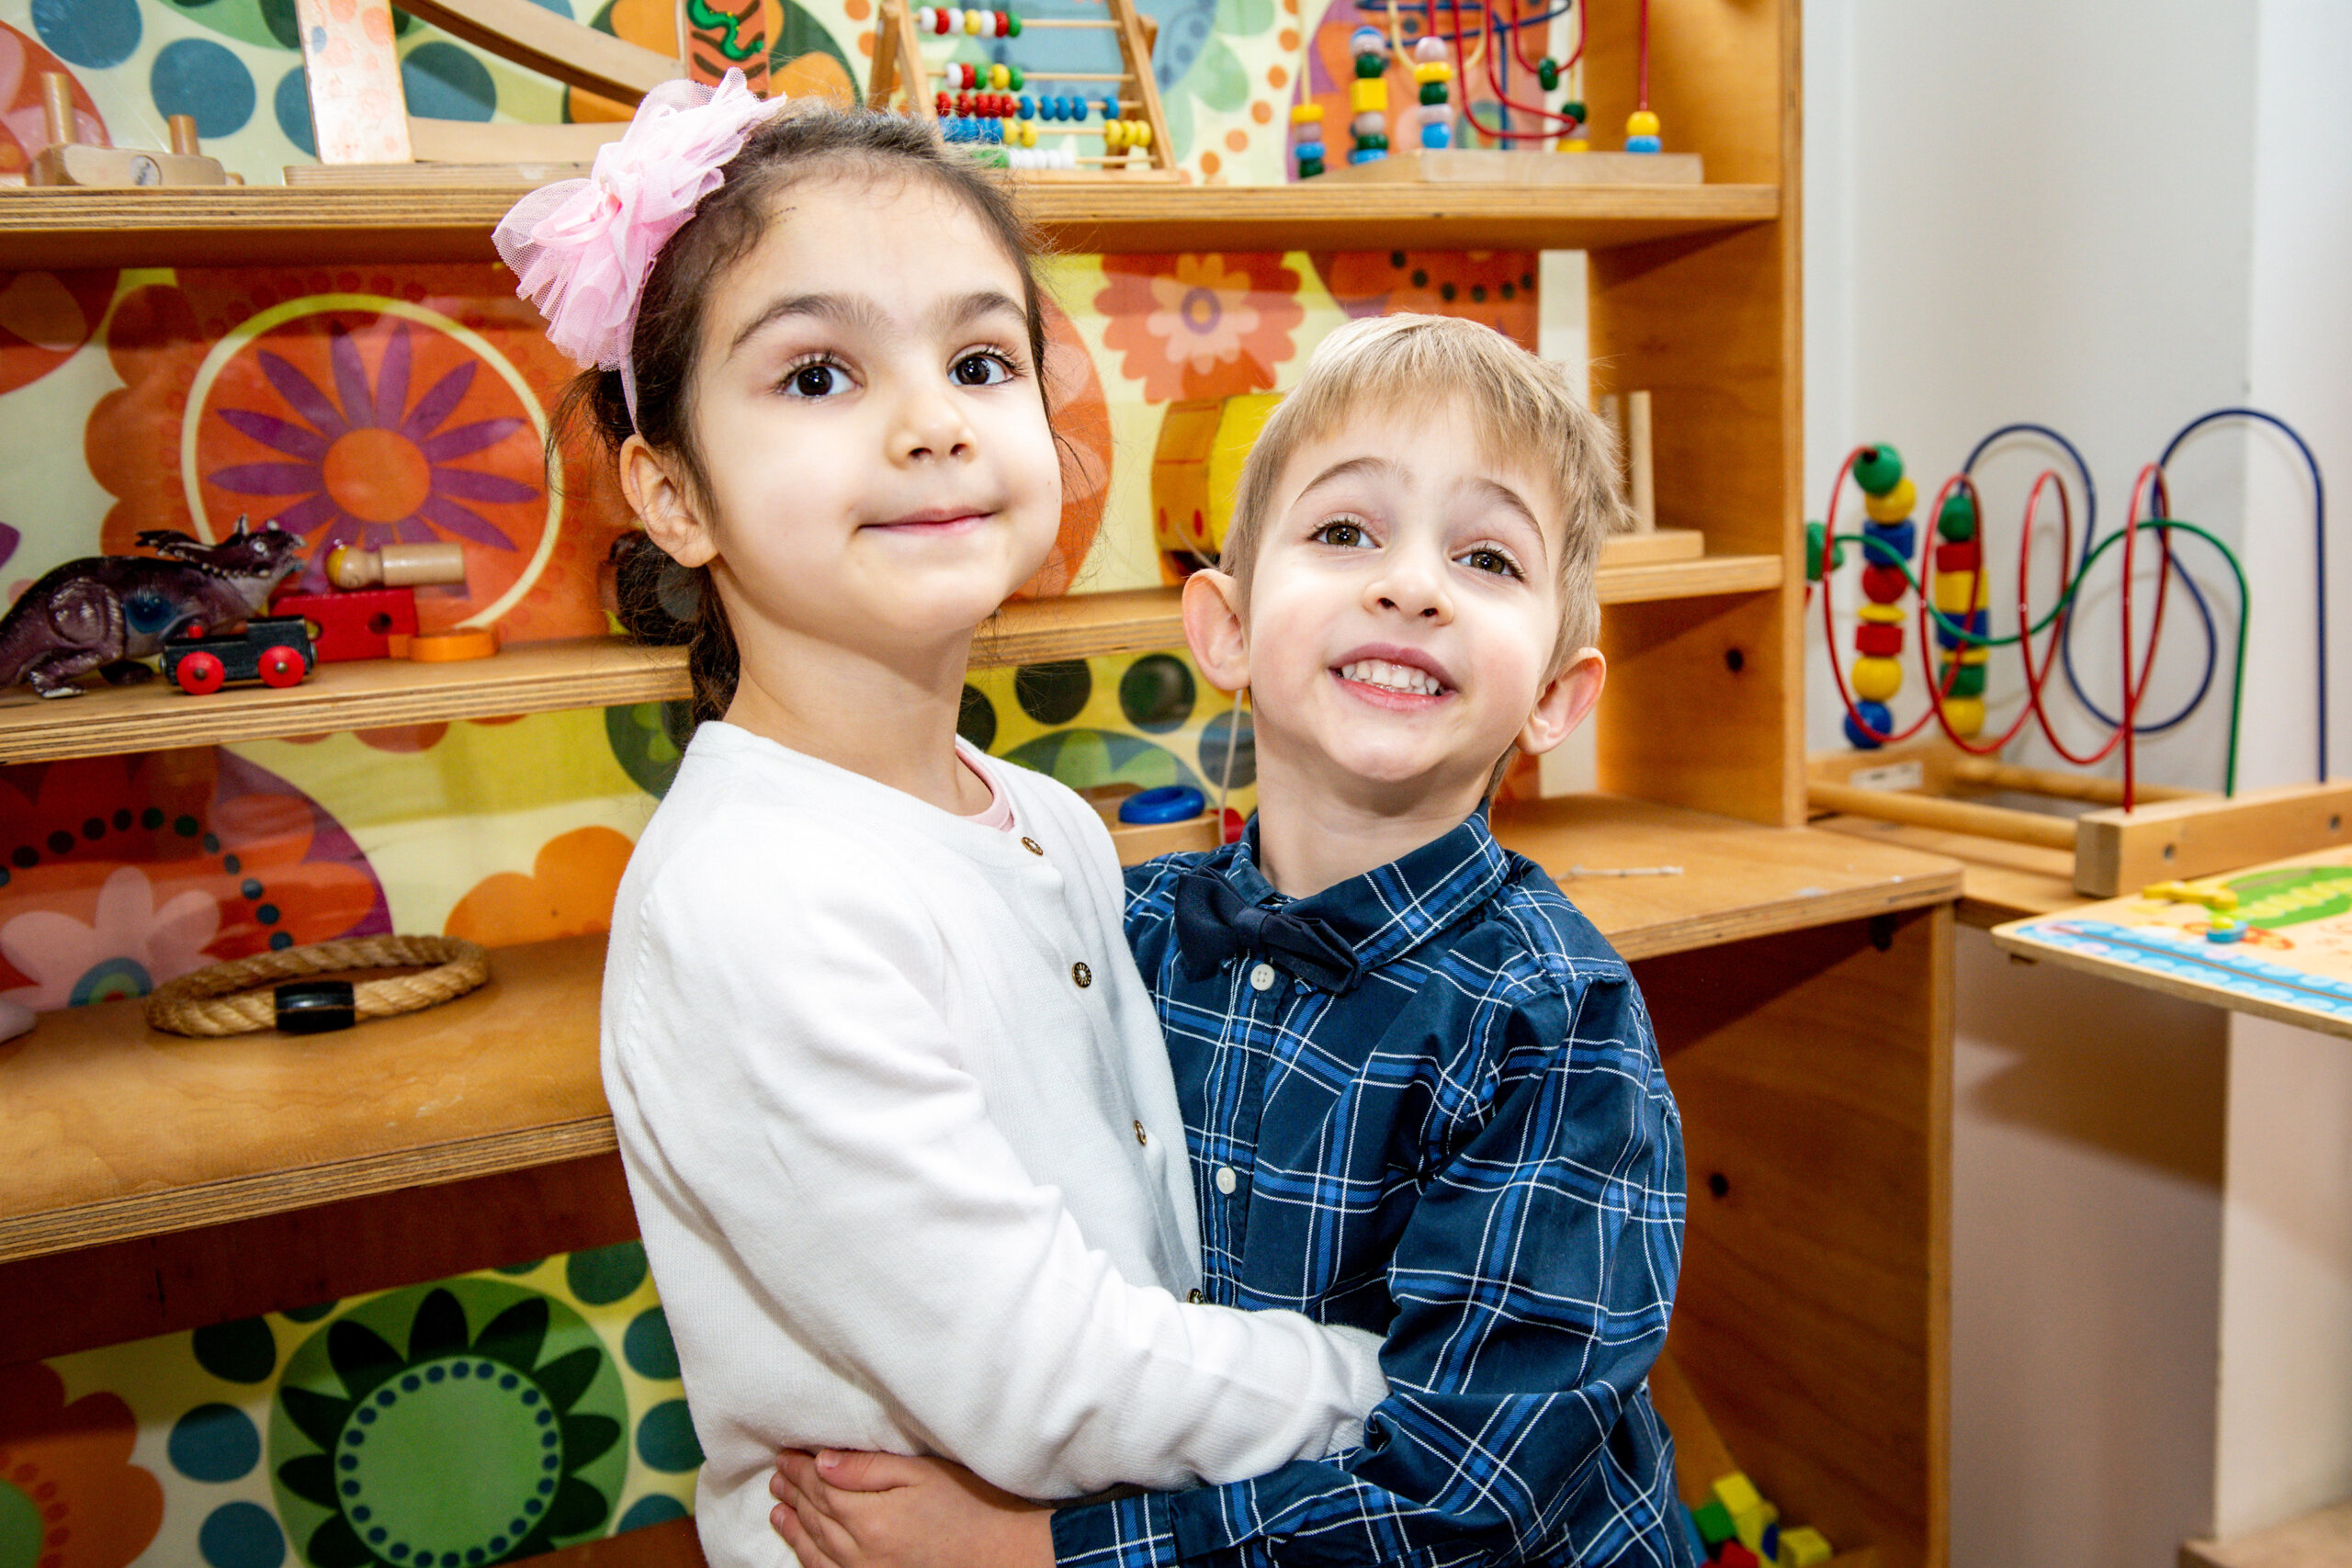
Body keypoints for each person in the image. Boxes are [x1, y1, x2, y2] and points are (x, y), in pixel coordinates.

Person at [501, 77, 1391, 1567]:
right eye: (817, 376)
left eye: (981, 360)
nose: (932, 424)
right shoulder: (757, 899)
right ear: (671, 494)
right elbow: (1049, 1381)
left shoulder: (1047, 820)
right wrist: (1411, 1391)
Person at [772, 314, 1694, 1567]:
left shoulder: (1553, 1023)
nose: (1410, 585)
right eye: (1346, 531)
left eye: (1485, 557)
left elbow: (1468, 1494)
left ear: (1554, 697)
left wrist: (1039, 1554)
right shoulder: (1125, 934)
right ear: (1224, 629)